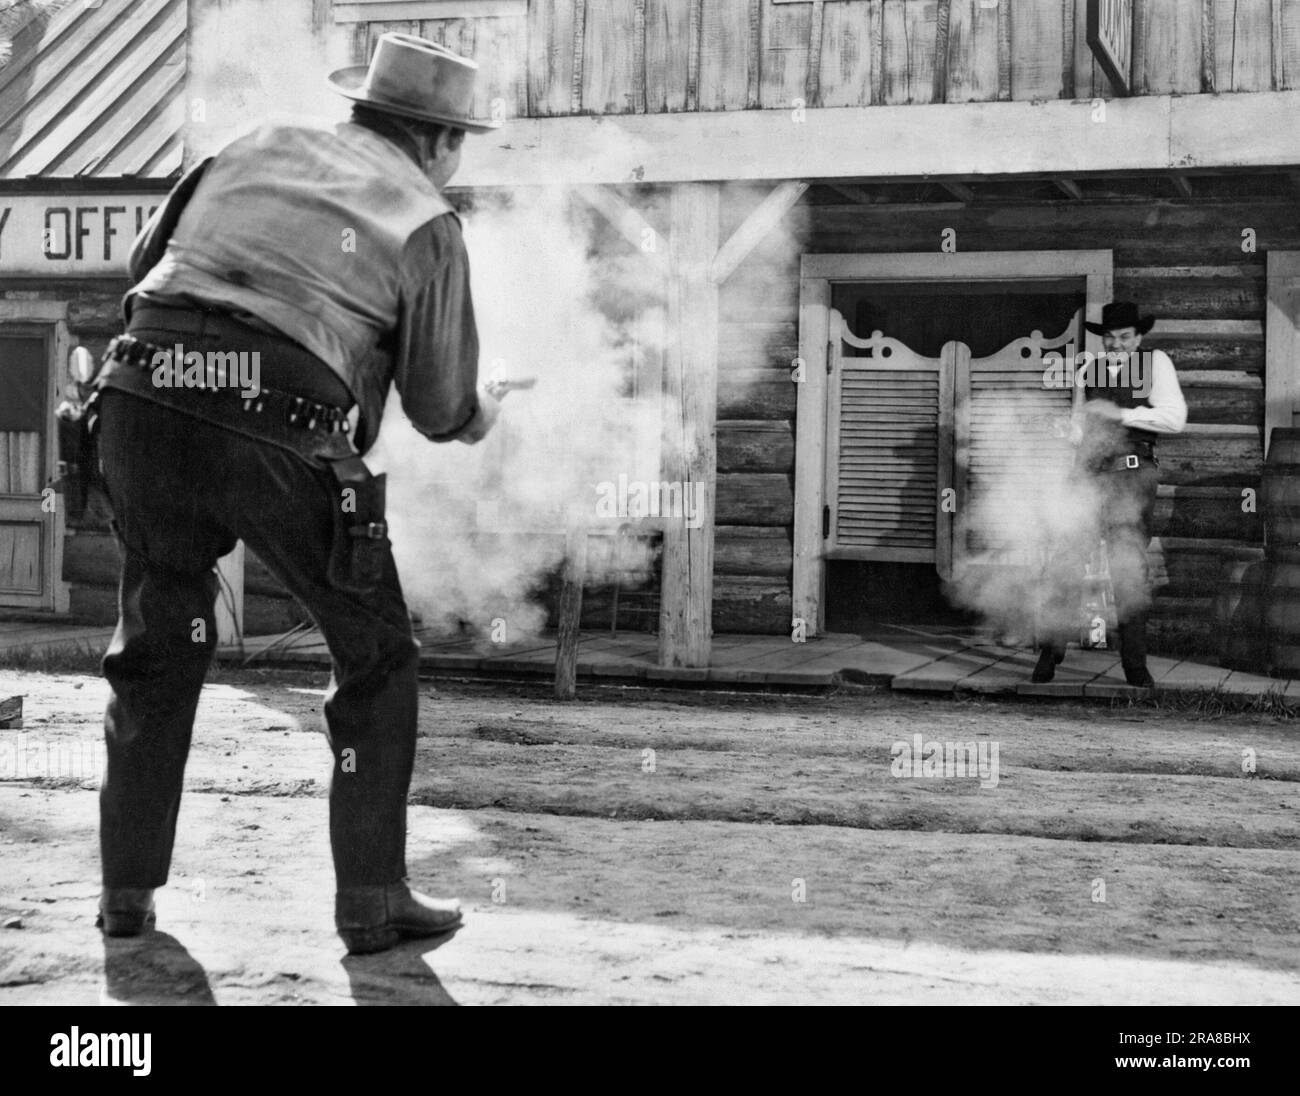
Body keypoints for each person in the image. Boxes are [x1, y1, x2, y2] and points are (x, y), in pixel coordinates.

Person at [89, 34, 502, 955]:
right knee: (376, 657)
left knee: (155, 649)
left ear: (363, 108)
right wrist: (483, 413)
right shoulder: (427, 220)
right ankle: (370, 898)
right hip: (278, 418)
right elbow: (437, 408)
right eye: (460, 140)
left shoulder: (248, 144)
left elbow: (144, 268)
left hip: (140, 392)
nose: (457, 160)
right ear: (437, 139)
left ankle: (126, 897)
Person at [1031, 301, 1187, 688]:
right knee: (1065, 561)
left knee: (1127, 568)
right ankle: (1050, 653)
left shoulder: (1156, 363)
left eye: (1124, 338)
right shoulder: (1090, 368)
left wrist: (1122, 416)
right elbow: (1081, 428)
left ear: (1138, 337)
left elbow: (1174, 417)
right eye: (1109, 338)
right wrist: (1064, 433)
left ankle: (1135, 667)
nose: (1116, 345)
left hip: (1131, 475)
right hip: (1088, 475)